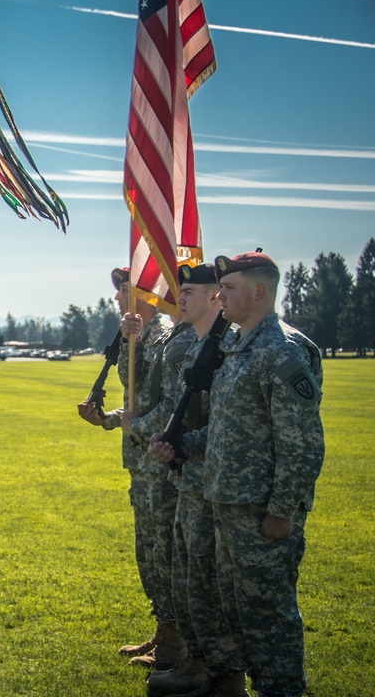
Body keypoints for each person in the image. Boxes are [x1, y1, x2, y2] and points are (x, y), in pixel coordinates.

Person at [149, 251, 324, 697]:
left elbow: (302, 443)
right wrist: (181, 446)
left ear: (259, 292)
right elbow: (228, 427)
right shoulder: (238, 346)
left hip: (259, 510)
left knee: (268, 615)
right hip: (227, 503)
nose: (220, 296)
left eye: (228, 289)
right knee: (238, 610)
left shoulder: (280, 352)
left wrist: (282, 511)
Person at [137, 264, 244, 696]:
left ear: (216, 297)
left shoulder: (230, 350)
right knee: (188, 583)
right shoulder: (202, 349)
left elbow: (232, 428)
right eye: (180, 291)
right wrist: (174, 445)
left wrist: (145, 429)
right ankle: (199, 665)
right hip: (191, 480)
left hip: (221, 488)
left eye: (192, 291)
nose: (180, 298)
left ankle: (223, 676)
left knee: (211, 586)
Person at [78, 267, 183, 669]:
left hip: (159, 462)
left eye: (125, 291)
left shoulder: (167, 337)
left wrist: (132, 338)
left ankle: (176, 644)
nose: (119, 299)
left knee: (164, 554)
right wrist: (105, 419)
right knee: (149, 553)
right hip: (141, 463)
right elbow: (134, 395)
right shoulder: (139, 335)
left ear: (147, 295)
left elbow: (160, 404)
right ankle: (165, 630)